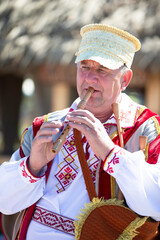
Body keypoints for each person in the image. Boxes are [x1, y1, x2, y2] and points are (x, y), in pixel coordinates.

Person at [0, 23, 160, 240]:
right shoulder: (45, 126)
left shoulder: (147, 128)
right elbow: (5, 202)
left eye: (102, 69)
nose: (90, 79)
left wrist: (110, 153)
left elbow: (155, 204)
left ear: (125, 79)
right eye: (84, 67)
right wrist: (32, 166)